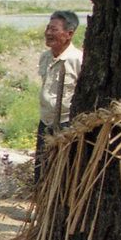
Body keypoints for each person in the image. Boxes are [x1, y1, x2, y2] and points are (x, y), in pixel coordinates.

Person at [37, 10, 84, 176]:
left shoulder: (77, 60)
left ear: (69, 34)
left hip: (66, 125)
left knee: (62, 174)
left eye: (54, 29)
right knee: (41, 173)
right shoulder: (45, 57)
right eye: (47, 28)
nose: (48, 33)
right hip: (45, 122)